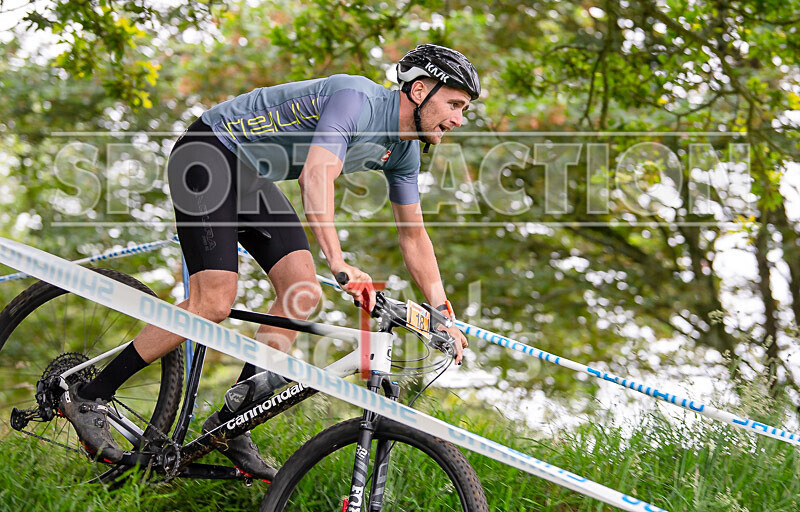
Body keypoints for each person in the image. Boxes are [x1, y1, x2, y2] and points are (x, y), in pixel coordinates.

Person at [59, 44, 480, 478]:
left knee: (302, 293)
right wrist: (338, 261)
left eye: (463, 109)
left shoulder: (405, 151)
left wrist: (442, 312)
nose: (458, 119)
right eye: (454, 104)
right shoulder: (358, 99)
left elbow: (413, 235)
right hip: (208, 152)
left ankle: (232, 421)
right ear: (419, 89)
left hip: (251, 178)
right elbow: (316, 173)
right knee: (214, 301)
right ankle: (91, 394)